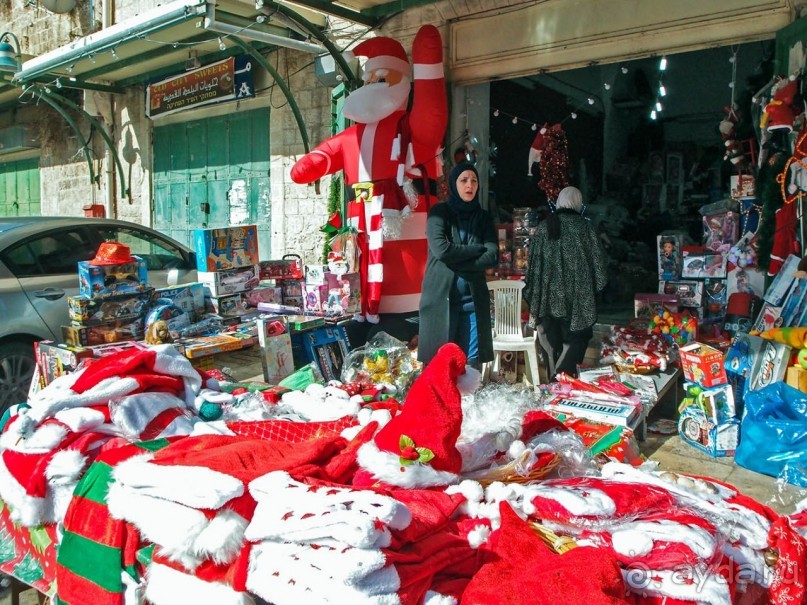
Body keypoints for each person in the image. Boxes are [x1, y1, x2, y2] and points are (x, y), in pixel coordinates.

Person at [418, 162, 498, 367]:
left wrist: (456, 260)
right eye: (463, 180)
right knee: (442, 367)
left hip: (472, 303)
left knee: (471, 365)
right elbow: (442, 250)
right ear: (454, 184)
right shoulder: (439, 213)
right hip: (441, 302)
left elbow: (492, 257)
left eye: (473, 180)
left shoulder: (483, 217)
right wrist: (476, 249)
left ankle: (469, 400)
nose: (469, 185)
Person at [524, 186, 607, 377]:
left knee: (551, 344)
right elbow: (599, 268)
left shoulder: (545, 227)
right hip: (578, 301)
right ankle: (561, 382)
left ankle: (556, 383)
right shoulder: (586, 228)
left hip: (547, 301)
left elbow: (533, 266)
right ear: (579, 204)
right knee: (579, 337)